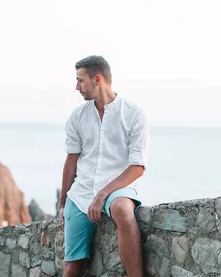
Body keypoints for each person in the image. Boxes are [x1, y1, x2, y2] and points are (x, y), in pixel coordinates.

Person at [58, 55, 149, 277]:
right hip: (81, 193)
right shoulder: (77, 116)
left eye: (80, 80)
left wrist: (102, 195)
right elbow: (72, 161)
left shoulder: (133, 114)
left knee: (122, 210)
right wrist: (62, 203)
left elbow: (137, 167)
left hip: (118, 188)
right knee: (72, 267)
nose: (76, 87)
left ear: (97, 79)